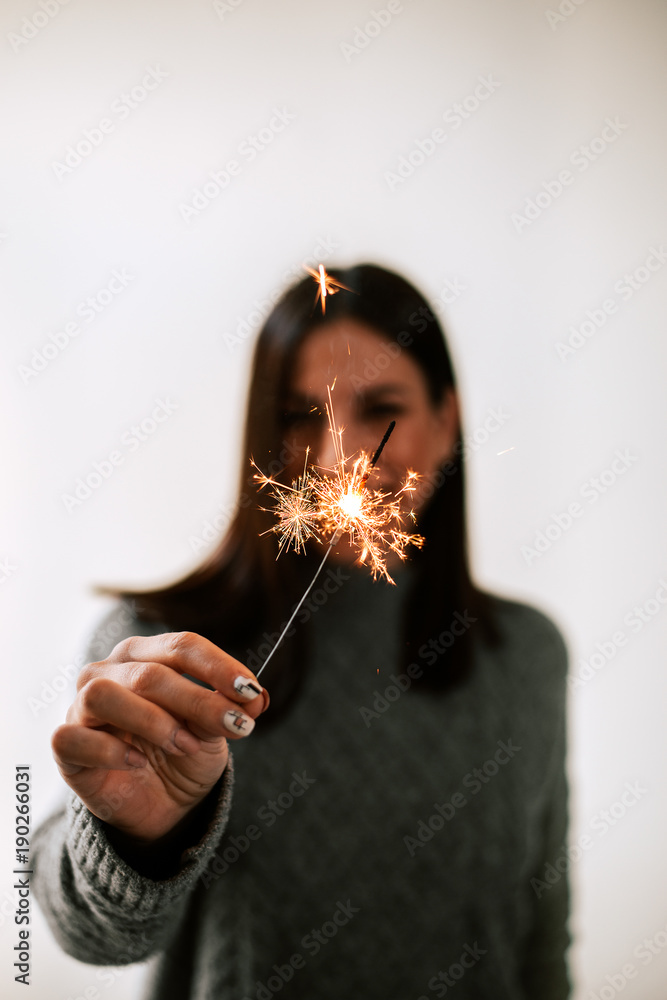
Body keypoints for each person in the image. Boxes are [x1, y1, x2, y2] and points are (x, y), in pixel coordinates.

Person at [33, 263, 572, 999]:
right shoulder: (157, 655)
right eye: (299, 416)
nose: (334, 460)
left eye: (380, 408)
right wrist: (136, 842)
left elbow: (540, 936)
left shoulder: (526, 656)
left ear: (445, 423)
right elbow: (86, 934)